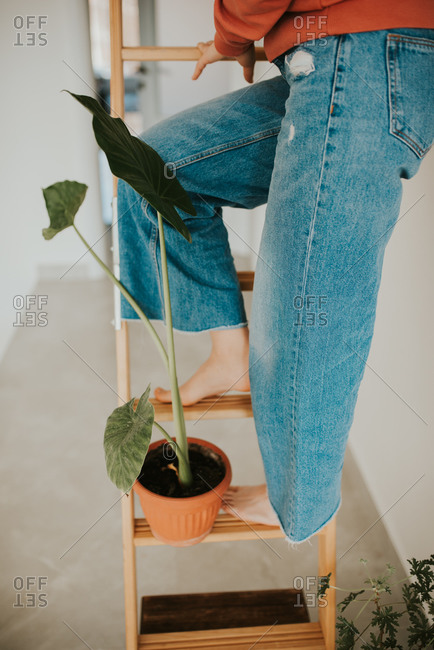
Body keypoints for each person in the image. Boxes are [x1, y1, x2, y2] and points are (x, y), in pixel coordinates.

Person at [118, 0, 434, 542]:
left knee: (306, 306)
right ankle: (227, 353)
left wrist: (231, 35)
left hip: (361, 56)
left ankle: (300, 503)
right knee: (155, 170)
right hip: (322, 64)